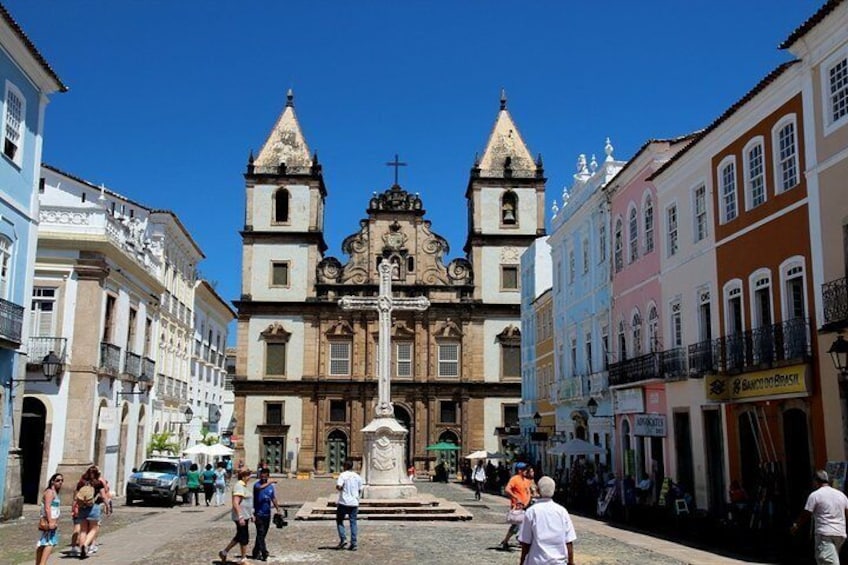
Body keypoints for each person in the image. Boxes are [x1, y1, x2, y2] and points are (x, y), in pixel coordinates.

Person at [791, 469, 848, 564]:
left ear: (815, 481)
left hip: (825, 534)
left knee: (828, 562)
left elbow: (806, 513)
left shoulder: (815, 495)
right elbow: (846, 513)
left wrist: (796, 525)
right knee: (830, 558)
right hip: (840, 534)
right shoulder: (841, 495)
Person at [518, 476, 577, 565]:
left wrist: (522, 562)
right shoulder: (562, 511)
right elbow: (569, 541)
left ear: (538, 491)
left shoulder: (531, 512)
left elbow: (526, 542)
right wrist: (571, 562)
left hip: (537, 561)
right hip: (559, 562)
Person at [219, 468, 254, 564]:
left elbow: (247, 502)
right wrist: (240, 516)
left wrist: (251, 514)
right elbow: (235, 502)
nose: (249, 477)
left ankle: (224, 552)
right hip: (241, 516)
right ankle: (243, 558)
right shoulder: (239, 486)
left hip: (245, 515)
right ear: (243, 476)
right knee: (244, 536)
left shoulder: (243, 486)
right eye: (248, 475)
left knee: (239, 536)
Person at [75, 465, 110, 558]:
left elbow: (76, 497)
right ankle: (85, 545)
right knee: (93, 529)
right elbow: (103, 496)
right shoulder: (98, 483)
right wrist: (107, 506)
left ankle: (82, 550)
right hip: (94, 507)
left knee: (83, 530)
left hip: (82, 507)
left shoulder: (81, 483)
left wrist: (75, 507)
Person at [500, 462, 533, 550]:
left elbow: (528, 491)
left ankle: (521, 541)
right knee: (516, 526)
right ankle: (506, 541)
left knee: (526, 525)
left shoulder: (525, 480)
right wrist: (515, 497)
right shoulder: (514, 479)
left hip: (526, 506)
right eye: (524, 470)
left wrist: (528, 499)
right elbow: (507, 489)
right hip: (517, 506)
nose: (526, 471)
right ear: (519, 470)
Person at [251, 467, 280, 561]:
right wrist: (270, 482)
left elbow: (273, 498)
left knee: (262, 534)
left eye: (265, 476)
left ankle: (255, 552)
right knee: (260, 532)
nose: (263, 478)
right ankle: (264, 552)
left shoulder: (270, 487)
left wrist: (278, 509)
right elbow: (260, 488)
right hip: (258, 513)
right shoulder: (256, 485)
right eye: (262, 476)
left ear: (268, 476)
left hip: (267, 514)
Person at [335, 460, 363, 551]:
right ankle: (354, 543)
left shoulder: (343, 475)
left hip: (343, 502)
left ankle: (343, 539)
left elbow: (339, 486)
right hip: (354, 503)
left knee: (339, 520)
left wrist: (341, 489)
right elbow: (360, 490)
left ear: (345, 467)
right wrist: (356, 497)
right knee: (353, 522)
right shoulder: (358, 476)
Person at [35, 473, 63, 565]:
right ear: (52, 481)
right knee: (49, 543)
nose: (60, 482)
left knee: (43, 543)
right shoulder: (50, 492)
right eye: (58, 480)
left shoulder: (54, 493)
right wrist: (51, 521)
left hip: (52, 521)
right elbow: (47, 507)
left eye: (61, 480)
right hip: (48, 521)